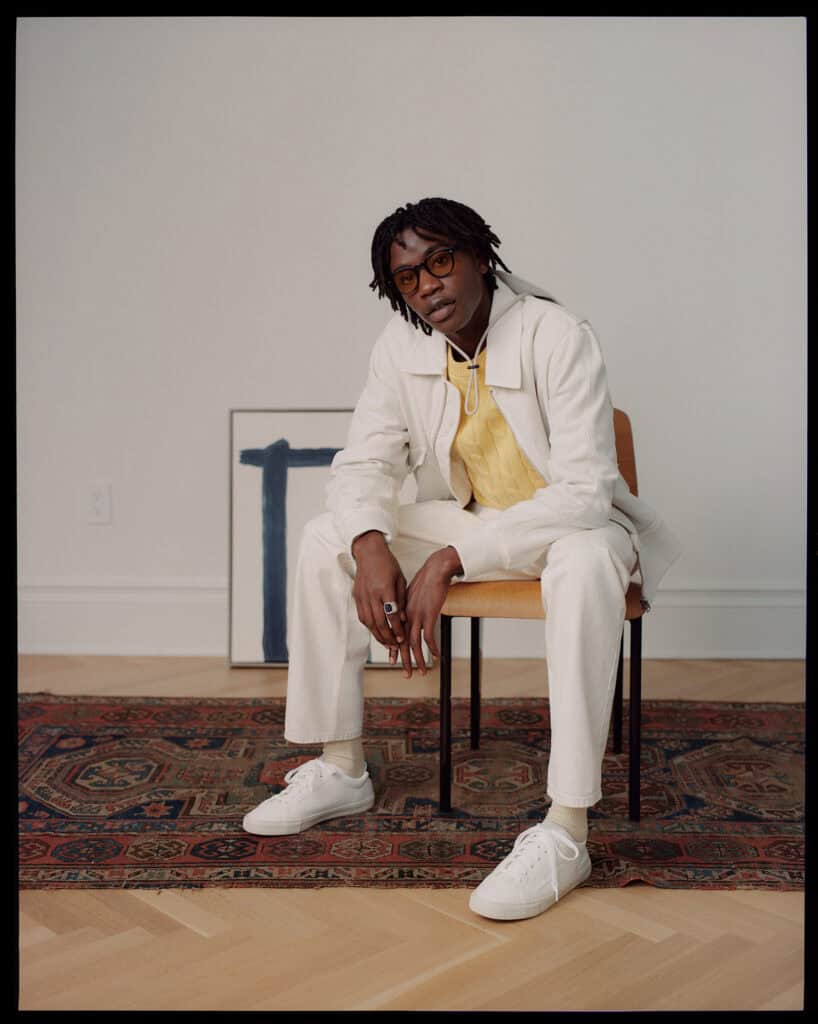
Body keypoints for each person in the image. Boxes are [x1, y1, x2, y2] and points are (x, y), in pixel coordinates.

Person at [242, 197, 681, 921]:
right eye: (407, 278)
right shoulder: (400, 344)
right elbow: (364, 462)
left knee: (582, 564)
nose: (427, 287)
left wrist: (452, 556)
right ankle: (342, 765)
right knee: (329, 534)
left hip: (570, 527)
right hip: (472, 520)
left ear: (480, 254)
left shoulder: (557, 333)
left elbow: (583, 493)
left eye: (439, 261)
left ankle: (567, 829)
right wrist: (370, 542)